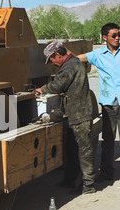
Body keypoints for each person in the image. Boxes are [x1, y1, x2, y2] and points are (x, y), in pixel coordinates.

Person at [76, 23, 120, 184]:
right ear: (104, 37)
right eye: (114, 35)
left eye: (119, 35)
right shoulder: (97, 54)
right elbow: (76, 58)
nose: (117, 38)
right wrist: (61, 52)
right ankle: (107, 171)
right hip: (108, 102)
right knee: (107, 139)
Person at [37, 41, 96, 194]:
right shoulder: (74, 63)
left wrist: (41, 89)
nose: (52, 63)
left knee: (83, 150)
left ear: (58, 55)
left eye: (52, 59)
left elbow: (57, 85)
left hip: (80, 114)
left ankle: (88, 185)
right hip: (74, 114)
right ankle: (72, 180)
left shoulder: (70, 66)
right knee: (73, 149)